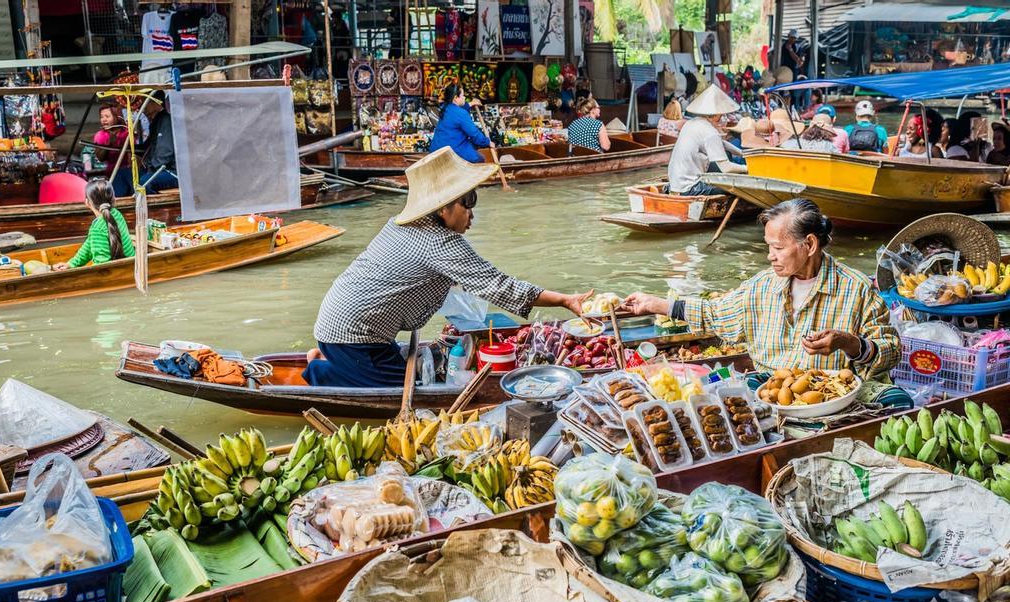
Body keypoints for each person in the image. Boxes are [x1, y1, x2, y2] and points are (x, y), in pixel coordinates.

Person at [305, 147, 593, 387]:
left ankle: (330, 357)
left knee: (409, 366)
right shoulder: (441, 244)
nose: (471, 214)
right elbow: (501, 287)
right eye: (467, 202)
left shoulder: (400, 225)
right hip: (354, 338)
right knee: (410, 386)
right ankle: (320, 371)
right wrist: (564, 300)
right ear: (442, 208)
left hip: (340, 322)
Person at [622, 199, 899, 379]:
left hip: (829, 398)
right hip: (769, 393)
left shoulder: (857, 289)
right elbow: (715, 313)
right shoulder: (761, 286)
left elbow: (889, 353)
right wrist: (655, 304)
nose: (770, 256)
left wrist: (849, 343)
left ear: (810, 245)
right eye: (769, 247)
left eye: (778, 248)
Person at [667, 85, 747, 196]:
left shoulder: (692, 123)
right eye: (722, 114)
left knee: (726, 155)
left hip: (675, 183)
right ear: (714, 115)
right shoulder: (710, 132)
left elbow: (720, 143)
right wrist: (748, 168)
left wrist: (742, 153)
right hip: (689, 188)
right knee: (739, 187)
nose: (725, 118)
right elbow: (726, 168)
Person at [52, 179, 136, 270]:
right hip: (132, 266)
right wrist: (71, 264)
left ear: (87, 202)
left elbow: (101, 266)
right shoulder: (117, 214)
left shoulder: (97, 229)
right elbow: (88, 246)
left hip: (120, 272)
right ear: (114, 200)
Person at [112, 90, 178, 196]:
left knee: (143, 182)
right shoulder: (156, 121)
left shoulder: (166, 120)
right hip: (155, 169)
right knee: (121, 174)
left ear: (155, 103)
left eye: (145, 103)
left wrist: (150, 168)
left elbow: (165, 153)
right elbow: (147, 147)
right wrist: (127, 147)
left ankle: (148, 211)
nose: (143, 108)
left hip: (171, 171)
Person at [427, 84, 494, 163]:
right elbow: (474, 134)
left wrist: (470, 104)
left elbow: (456, 112)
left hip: (436, 150)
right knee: (479, 158)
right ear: (455, 98)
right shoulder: (461, 113)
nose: (464, 97)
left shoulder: (445, 108)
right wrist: (487, 142)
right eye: (463, 95)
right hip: (450, 152)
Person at [89, 102, 129, 173]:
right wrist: (108, 144)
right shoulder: (100, 135)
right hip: (112, 172)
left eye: (107, 116)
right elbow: (100, 158)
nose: (104, 120)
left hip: (129, 169)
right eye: (101, 117)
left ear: (117, 117)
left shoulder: (126, 132)